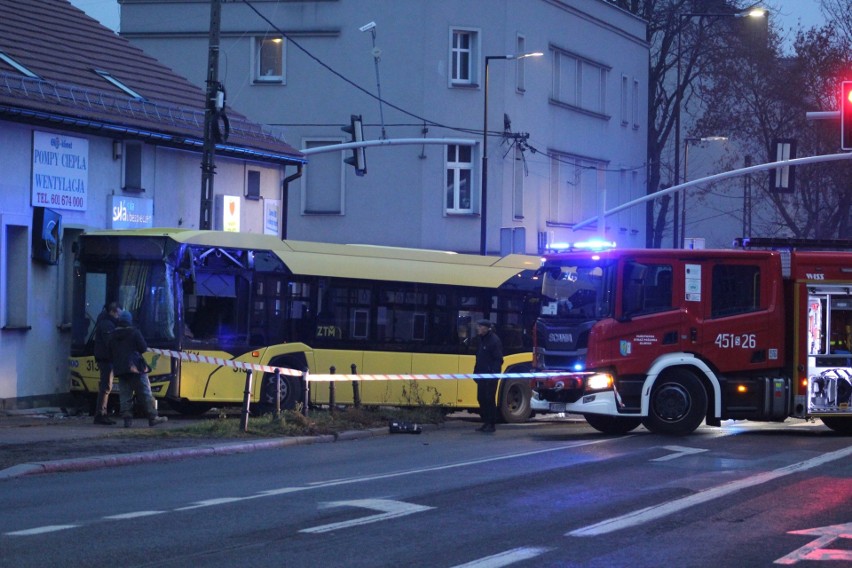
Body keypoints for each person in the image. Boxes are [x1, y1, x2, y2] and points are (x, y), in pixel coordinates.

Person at [109, 310, 167, 428]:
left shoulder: (113, 335)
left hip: (120, 369)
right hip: (136, 368)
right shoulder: (134, 332)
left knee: (125, 394)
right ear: (129, 320)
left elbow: (110, 351)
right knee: (145, 392)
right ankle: (153, 417)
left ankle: (127, 419)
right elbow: (143, 348)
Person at [92, 302, 122, 425]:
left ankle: (102, 413)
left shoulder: (105, 322)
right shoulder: (107, 325)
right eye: (118, 313)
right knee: (106, 387)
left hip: (105, 359)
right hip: (106, 360)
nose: (119, 316)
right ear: (113, 312)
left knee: (106, 387)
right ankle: (101, 414)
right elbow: (110, 342)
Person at [473, 319, 503, 433]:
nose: (478, 328)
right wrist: (475, 372)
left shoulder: (494, 341)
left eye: (480, 326)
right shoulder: (482, 340)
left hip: (490, 377)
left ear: (486, 328)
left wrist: (493, 374)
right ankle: (485, 422)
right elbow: (479, 358)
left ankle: (491, 424)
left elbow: (498, 359)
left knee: (489, 399)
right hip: (481, 375)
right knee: (481, 398)